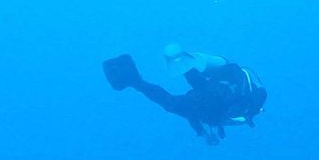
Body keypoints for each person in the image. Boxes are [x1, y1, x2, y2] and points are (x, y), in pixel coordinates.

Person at [103, 46, 266, 144]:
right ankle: (139, 78)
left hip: (210, 94)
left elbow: (191, 111)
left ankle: (177, 61)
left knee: (183, 92)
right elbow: (190, 111)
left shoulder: (243, 102)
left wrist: (204, 133)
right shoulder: (243, 108)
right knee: (174, 101)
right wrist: (204, 133)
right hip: (211, 101)